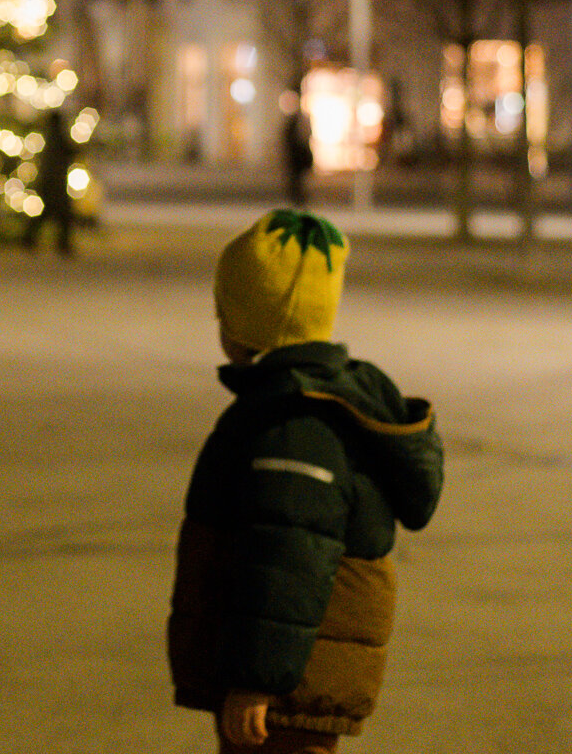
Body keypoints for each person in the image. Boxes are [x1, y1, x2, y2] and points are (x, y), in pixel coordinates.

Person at [168, 210, 443, 753]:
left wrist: (257, 679)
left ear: (245, 324)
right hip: (297, 677)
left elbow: (289, 559)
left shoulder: (294, 427)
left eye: (223, 312)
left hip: (288, 689)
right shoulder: (294, 406)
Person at [21, 106, 76, 256]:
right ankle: (61, 245)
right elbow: (71, 151)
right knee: (61, 215)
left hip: (49, 182)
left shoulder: (47, 136)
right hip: (55, 183)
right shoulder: (57, 137)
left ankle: (30, 240)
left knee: (48, 214)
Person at [281, 104, 314, 206]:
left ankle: (299, 199)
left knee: (298, 180)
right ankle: (297, 199)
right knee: (296, 180)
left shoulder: (296, 123)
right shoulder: (294, 123)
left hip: (299, 159)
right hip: (296, 158)